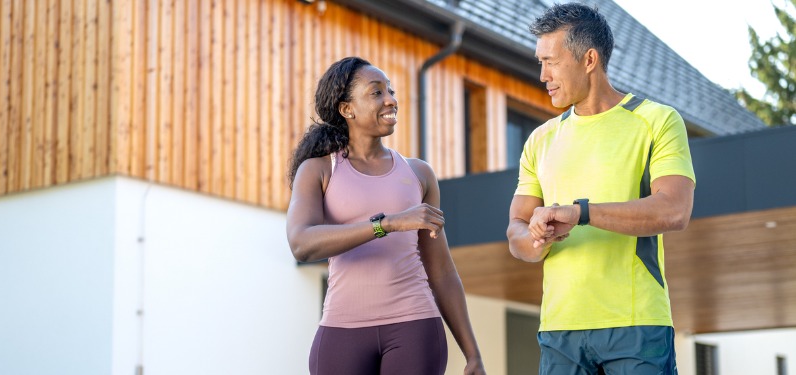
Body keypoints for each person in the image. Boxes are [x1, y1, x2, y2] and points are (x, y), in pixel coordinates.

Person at [506, 3, 696, 374]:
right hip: (559, 330)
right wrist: (534, 240)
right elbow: (516, 227)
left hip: (636, 324)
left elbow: (674, 210)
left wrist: (582, 213)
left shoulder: (656, 121)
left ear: (589, 59)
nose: (542, 74)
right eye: (539, 62)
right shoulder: (539, 140)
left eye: (551, 61)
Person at [286, 56, 486, 375]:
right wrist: (387, 224)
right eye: (376, 92)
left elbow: (442, 271)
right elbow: (301, 243)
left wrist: (472, 353)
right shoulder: (319, 170)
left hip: (415, 327)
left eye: (390, 91)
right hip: (341, 330)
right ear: (346, 109)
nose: (391, 99)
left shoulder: (418, 174)